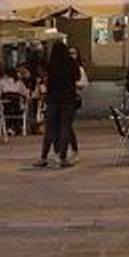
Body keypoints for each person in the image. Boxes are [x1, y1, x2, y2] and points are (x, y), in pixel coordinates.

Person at [35, 40, 80, 168]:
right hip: (68, 100)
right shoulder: (71, 63)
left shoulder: (51, 64)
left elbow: (47, 80)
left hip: (53, 100)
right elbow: (77, 77)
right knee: (65, 129)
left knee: (50, 130)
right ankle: (62, 158)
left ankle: (43, 157)